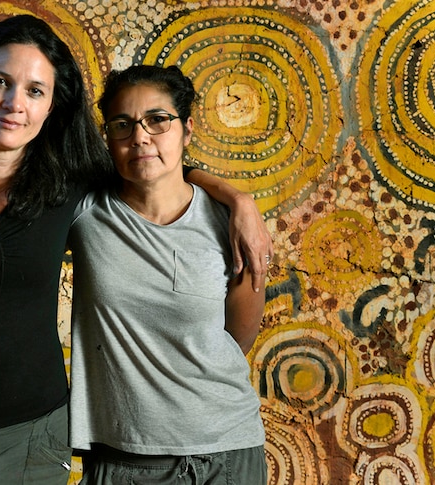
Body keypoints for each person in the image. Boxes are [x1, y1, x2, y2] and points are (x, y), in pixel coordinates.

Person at [0, 14, 272, 485]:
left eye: (36, 90)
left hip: (71, 443)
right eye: (0, 82)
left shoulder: (85, 195)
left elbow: (153, 166)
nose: (16, 103)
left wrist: (238, 199)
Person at [67, 65, 267, 484]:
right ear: (109, 138)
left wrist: (238, 200)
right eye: (123, 125)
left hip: (228, 451)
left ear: (186, 129)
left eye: (158, 120)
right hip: (126, 457)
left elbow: (238, 340)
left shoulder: (229, 223)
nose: (140, 137)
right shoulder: (84, 213)